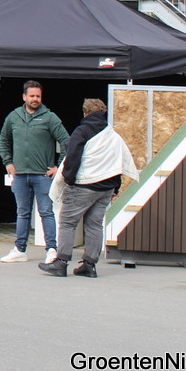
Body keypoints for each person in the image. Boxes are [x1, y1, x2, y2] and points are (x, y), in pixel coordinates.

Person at [39, 99, 138, 278]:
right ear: (102, 112)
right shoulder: (112, 135)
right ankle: (89, 265)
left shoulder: (82, 131)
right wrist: (116, 187)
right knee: (94, 225)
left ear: (85, 112)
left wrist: (69, 180)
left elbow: (72, 157)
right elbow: (118, 161)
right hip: (106, 189)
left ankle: (61, 263)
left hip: (84, 186)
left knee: (68, 222)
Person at [0, 80, 69, 263]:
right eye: (32, 96)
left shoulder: (49, 117)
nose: (35, 99)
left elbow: (66, 142)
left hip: (42, 175)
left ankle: (52, 249)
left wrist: (58, 167)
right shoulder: (14, 117)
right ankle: (20, 249)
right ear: (24, 97)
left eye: (38, 96)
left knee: (46, 212)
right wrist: (8, 162)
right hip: (20, 174)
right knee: (22, 212)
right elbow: (3, 140)